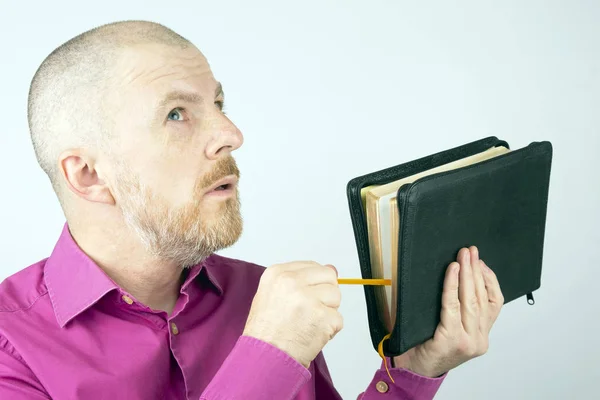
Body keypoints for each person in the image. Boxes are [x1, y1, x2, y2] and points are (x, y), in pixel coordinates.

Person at [0, 20, 504, 399]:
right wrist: (269, 356)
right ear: (88, 174)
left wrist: (415, 367)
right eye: (177, 113)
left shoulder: (258, 296)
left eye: (218, 104)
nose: (230, 134)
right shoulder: (11, 348)